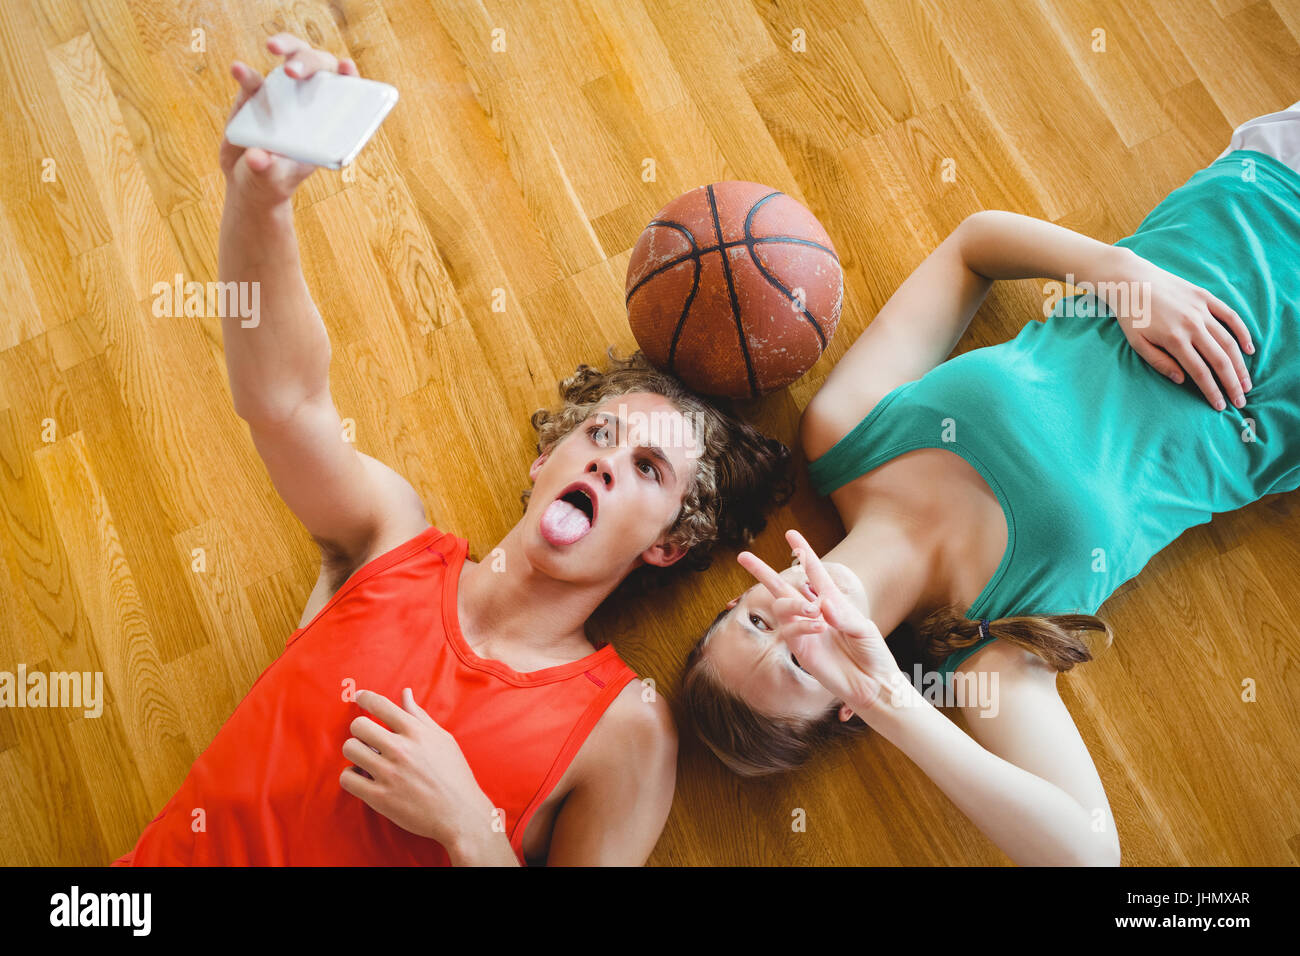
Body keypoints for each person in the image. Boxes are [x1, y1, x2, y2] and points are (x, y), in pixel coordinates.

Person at [112, 33, 793, 866]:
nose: (610, 460)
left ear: (667, 543)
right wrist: (259, 200)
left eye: (648, 468)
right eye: (601, 434)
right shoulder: (386, 540)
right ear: (547, 463)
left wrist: (470, 828)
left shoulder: (626, 731)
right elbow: (284, 402)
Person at [680, 99, 1300, 866]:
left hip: (1255, 198)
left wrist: (1126, 279)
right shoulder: (989, 648)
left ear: (746, 590)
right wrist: (894, 701)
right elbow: (1088, 855)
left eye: (755, 624)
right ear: (847, 706)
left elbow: (974, 246)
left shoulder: (844, 433)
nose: (797, 624)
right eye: (802, 666)